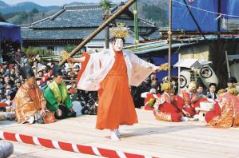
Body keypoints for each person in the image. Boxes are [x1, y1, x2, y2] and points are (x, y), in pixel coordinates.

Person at [68, 25, 166, 140]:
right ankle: (112, 129)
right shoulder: (106, 54)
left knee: (120, 106)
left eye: (121, 43)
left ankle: (116, 127)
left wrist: (156, 67)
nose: (119, 45)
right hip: (109, 83)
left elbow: (141, 62)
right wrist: (74, 59)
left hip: (123, 83)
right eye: (116, 43)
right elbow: (91, 58)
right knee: (110, 105)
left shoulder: (127, 54)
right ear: (112, 43)